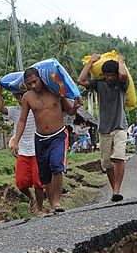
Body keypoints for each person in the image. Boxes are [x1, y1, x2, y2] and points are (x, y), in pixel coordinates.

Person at [9, 67, 80, 214]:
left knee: (56, 165)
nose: (33, 86)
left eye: (35, 82)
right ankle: (52, 203)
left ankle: (57, 201)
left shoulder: (55, 90)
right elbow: (22, 120)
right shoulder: (27, 97)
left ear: (41, 78)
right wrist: (16, 140)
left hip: (58, 135)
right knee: (45, 173)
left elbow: (69, 110)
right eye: (29, 84)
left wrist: (76, 106)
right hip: (40, 138)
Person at [78, 55, 129, 202]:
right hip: (104, 129)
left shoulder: (122, 84)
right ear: (103, 74)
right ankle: (115, 191)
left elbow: (124, 74)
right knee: (107, 163)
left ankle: (118, 189)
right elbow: (81, 80)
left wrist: (120, 61)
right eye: (107, 75)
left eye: (112, 75)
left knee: (118, 157)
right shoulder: (99, 84)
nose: (109, 78)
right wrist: (90, 62)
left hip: (120, 126)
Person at [0, 84, 45, 214]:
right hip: (22, 150)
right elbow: (0, 108)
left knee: (38, 182)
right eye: (19, 96)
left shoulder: (36, 109)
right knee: (20, 182)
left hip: (37, 149)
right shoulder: (15, 111)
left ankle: (40, 208)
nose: (21, 98)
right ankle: (31, 197)